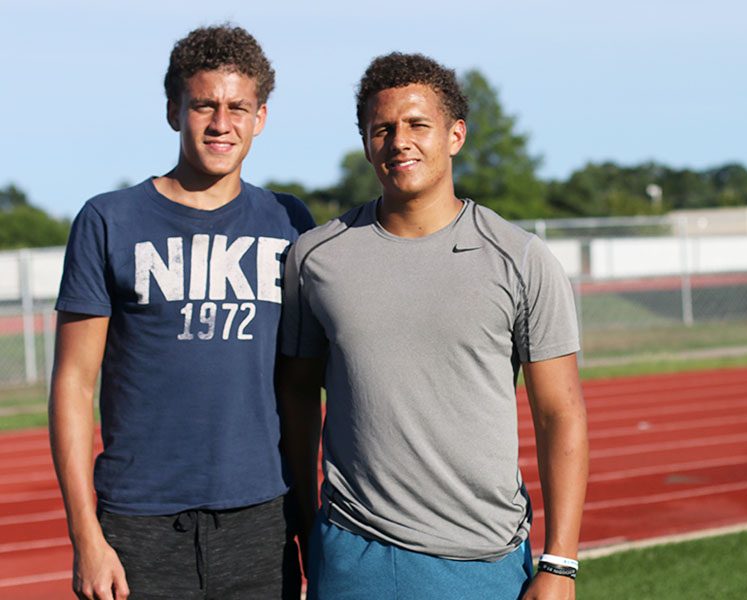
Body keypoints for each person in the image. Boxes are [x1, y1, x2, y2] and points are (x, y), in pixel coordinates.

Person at [279, 52, 589, 599]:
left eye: (418, 124)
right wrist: (310, 531)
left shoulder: (520, 258)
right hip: (353, 554)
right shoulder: (315, 257)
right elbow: (298, 399)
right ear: (366, 141)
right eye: (383, 128)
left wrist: (560, 563)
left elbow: (559, 413)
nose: (400, 141)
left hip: (481, 559)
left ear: (455, 135)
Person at [49, 24, 315, 599]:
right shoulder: (108, 220)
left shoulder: (289, 223)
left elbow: (299, 388)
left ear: (261, 117)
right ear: (174, 111)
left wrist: (308, 520)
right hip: (138, 520)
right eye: (204, 105)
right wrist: (85, 536)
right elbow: (73, 383)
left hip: (261, 517)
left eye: (238, 107)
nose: (222, 123)